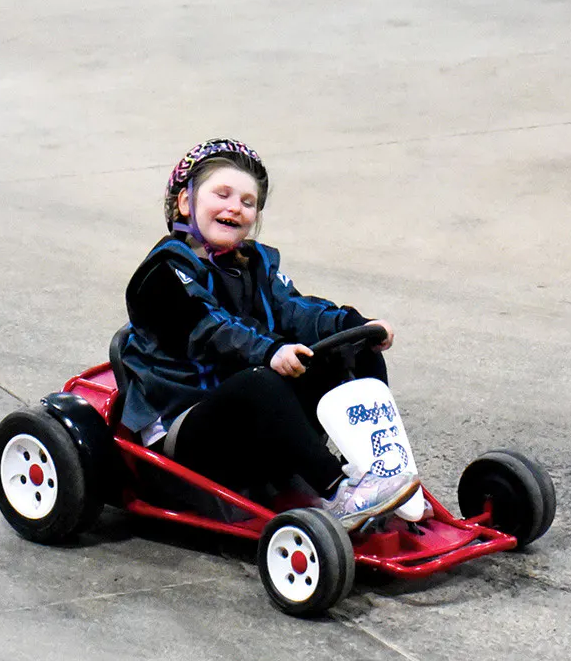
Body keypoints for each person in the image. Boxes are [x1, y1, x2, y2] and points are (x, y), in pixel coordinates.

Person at [120, 138, 418, 531]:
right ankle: (339, 494)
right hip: (186, 431)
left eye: (248, 202)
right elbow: (214, 329)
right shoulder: (163, 275)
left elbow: (293, 308)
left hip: (249, 415)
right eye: (222, 194)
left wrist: (352, 324)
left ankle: (383, 477)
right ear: (186, 203)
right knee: (260, 381)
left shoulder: (255, 262)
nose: (235, 207)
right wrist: (271, 350)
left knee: (356, 351)